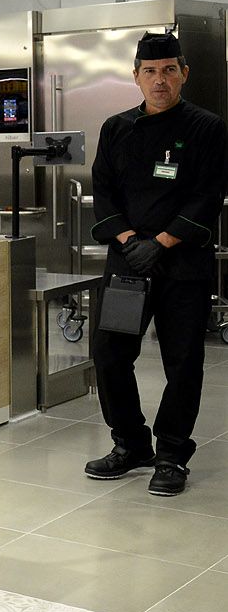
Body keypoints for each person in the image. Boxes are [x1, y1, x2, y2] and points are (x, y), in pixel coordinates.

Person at [84, 30, 228, 497]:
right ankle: (130, 444)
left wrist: (162, 242)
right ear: (136, 77)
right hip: (128, 262)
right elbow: (103, 190)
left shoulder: (207, 127)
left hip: (183, 265)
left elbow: (208, 195)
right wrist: (130, 239)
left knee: (183, 362)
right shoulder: (116, 128)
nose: (159, 80)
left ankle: (171, 454)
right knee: (110, 354)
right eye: (150, 71)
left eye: (168, 70)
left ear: (184, 74)